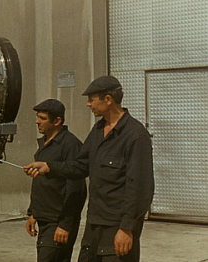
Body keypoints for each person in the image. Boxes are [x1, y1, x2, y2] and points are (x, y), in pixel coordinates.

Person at [24, 76, 154, 262]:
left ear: (108, 99)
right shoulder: (98, 130)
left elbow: (141, 187)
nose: (88, 104)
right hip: (94, 225)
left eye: (92, 99)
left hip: (117, 227)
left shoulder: (135, 135)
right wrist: (49, 167)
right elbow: (80, 166)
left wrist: (127, 228)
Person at [25, 99, 87, 262]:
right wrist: (33, 213)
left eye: (42, 118)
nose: (37, 121)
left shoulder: (70, 145)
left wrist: (65, 225)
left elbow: (77, 189)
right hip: (44, 220)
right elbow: (40, 184)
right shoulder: (45, 144)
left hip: (58, 222)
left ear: (57, 121)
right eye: (37, 117)